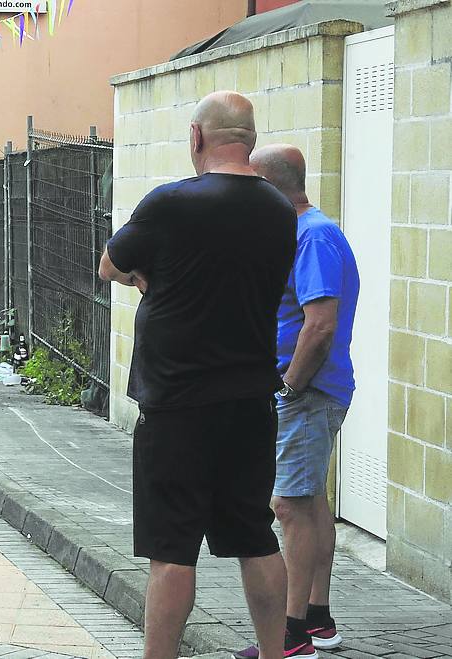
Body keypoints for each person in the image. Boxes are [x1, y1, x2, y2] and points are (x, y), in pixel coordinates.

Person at [98, 91, 298, 659]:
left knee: (173, 548)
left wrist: (146, 279)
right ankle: (274, 653)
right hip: (249, 400)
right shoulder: (278, 211)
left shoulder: (171, 203)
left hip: (177, 402)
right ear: (250, 142)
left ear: (196, 138)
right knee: (255, 535)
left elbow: (110, 264)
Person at [229, 145, 359, 659]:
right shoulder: (304, 232)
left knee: (289, 505)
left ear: (268, 184)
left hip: (307, 392)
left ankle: (292, 633)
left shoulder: (313, 236)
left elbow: (320, 324)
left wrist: (290, 387)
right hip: (309, 391)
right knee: (308, 503)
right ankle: (318, 619)